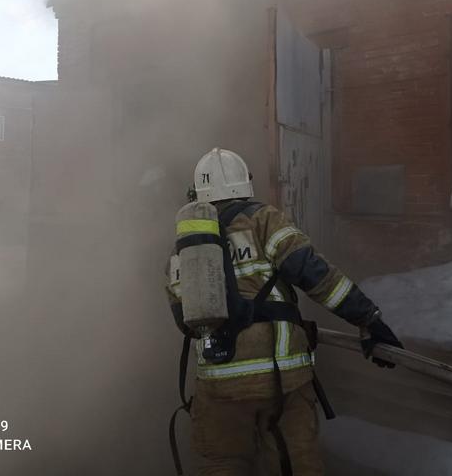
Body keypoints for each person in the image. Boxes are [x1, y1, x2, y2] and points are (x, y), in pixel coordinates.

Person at [165, 148, 403, 476]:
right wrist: (368, 318)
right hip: (280, 381)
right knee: (294, 462)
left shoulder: (186, 246)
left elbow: (184, 319)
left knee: (221, 465)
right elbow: (313, 273)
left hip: (219, 386)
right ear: (244, 184)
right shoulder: (262, 219)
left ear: (197, 192)